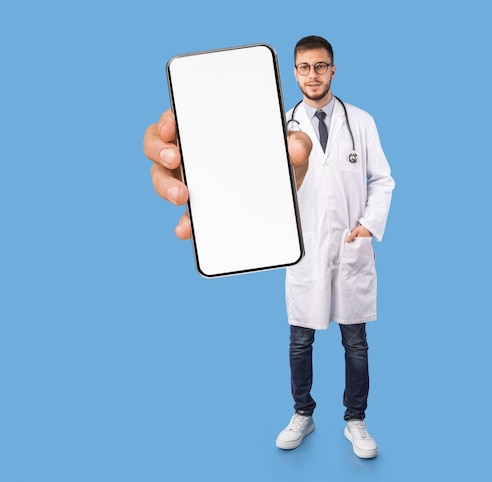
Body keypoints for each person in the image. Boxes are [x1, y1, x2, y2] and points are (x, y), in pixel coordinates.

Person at [143, 35, 394, 459]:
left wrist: (367, 227)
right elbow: (254, 184)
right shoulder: (276, 124)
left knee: (356, 342)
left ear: (333, 70)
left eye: (320, 66)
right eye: (304, 67)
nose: (312, 75)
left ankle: (355, 420)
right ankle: (303, 413)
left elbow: (383, 179)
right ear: (294, 72)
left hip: (350, 248)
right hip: (303, 249)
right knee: (300, 340)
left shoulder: (362, 121)